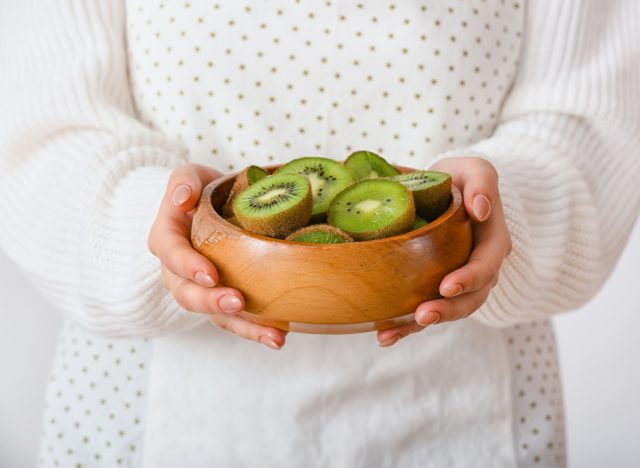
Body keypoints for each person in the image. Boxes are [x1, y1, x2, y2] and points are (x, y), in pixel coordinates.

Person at [1, 1, 638, 466]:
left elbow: (593, 125)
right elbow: (39, 133)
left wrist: (497, 214)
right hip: (147, 417)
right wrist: (161, 224)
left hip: (467, 412)